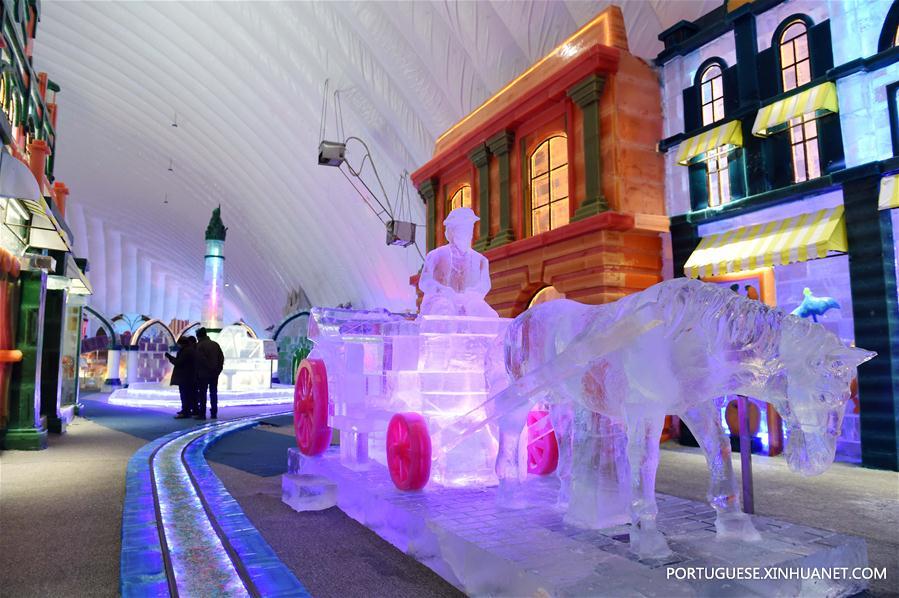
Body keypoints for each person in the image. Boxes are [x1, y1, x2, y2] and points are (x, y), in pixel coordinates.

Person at [418, 207, 498, 317]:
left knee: (487, 314)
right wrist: (441, 290)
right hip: (440, 302)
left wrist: (473, 293)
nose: (468, 232)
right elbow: (425, 282)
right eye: (462, 228)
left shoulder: (481, 260)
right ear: (452, 231)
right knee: (444, 310)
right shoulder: (436, 255)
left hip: (468, 304)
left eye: (469, 227)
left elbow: (485, 285)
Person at [195, 327, 225, 419]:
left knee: (202, 393)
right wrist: (218, 369)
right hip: (214, 373)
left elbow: (201, 359)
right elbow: (221, 358)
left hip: (203, 373)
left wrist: (206, 368)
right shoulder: (215, 344)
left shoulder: (200, 346)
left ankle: (202, 413)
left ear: (198, 336)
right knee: (213, 392)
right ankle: (214, 413)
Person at [165, 337, 197, 419]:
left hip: (185, 377)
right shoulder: (189, 350)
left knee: (185, 394)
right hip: (188, 376)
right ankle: (186, 410)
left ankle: (185, 412)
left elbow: (179, 362)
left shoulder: (186, 351)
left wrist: (170, 357)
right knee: (187, 394)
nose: (178, 346)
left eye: (179, 344)